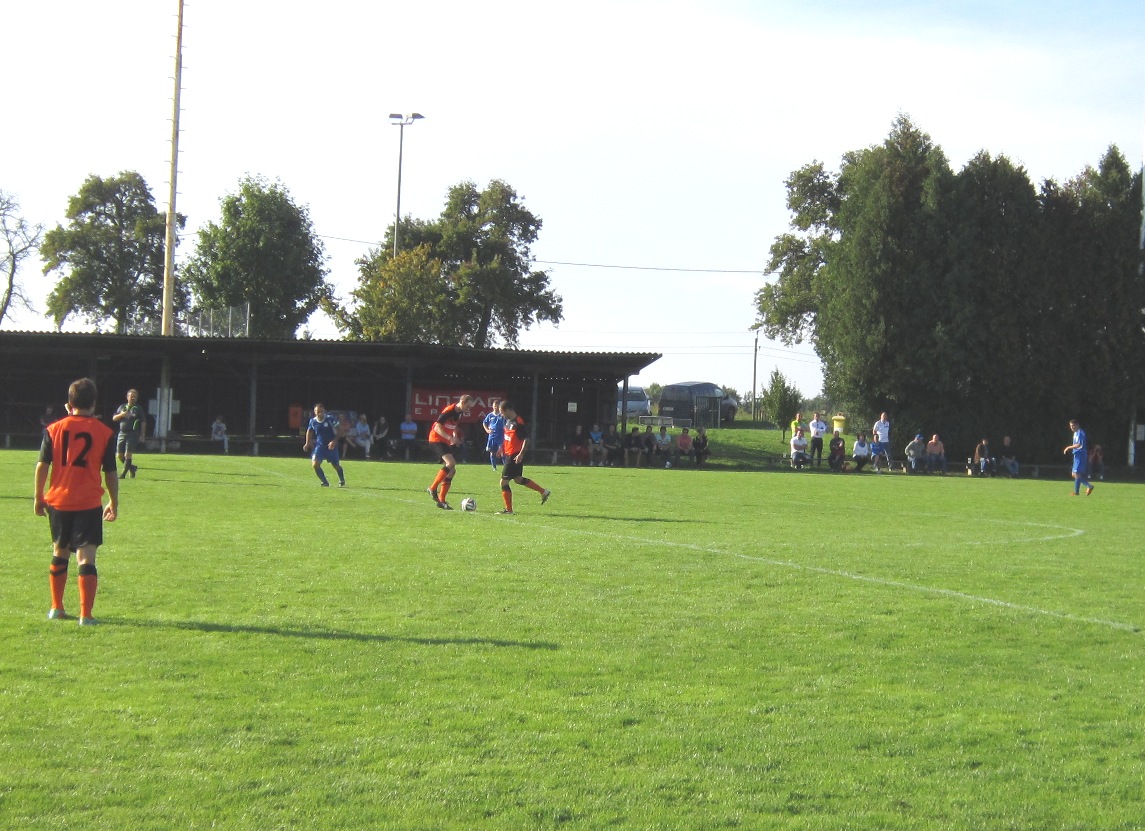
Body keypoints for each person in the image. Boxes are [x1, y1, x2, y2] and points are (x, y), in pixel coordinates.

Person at [35, 377, 119, 626]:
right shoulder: (104, 432)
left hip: (59, 501)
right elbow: (110, 472)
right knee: (86, 557)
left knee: (59, 552)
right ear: (94, 403)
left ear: (69, 403)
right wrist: (114, 502)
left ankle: (56, 608)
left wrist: (39, 497)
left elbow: (42, 465)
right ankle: (86, 615)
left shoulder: (54, 429)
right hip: (88, 502)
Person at [496, 401, 551, 514]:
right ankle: (543, 491)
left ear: (508, 410)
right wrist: (502, 447)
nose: (501, 414)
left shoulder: (518, 422)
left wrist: (521, 454)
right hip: (510, 454)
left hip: (514, 455)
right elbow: (508, 437)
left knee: (503, 482)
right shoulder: (508, 421)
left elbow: (526, 439)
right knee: (518, 479)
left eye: (502, 412)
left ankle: (509, 510)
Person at [426, 394, 473, 509]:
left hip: (444, 441)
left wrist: (454, 436)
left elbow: (453, 426)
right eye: (468, 406)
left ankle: (441, 501)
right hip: (436, 440)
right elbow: (437, 427)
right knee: (451, 463)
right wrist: (450, 438)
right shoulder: (449, 410)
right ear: (462, 402)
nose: (468, 409)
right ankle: (432, 488)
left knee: (452, 471)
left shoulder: (460, 412)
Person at [303, 403, 346, 487]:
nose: (320, 413)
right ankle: (325, 482)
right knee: (315, 464)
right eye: (318, 412)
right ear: (315, 412)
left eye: (321, 411)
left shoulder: (330, 419)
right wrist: (307, 443)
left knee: (335, 465)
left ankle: (342, 479)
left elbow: (340, 430)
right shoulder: (313, 421)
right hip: (320, 446)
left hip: (331, 446)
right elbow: (309, 431)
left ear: (324, 411)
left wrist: (334, 441)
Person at [112, 388, 145, 479]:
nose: (133, 398)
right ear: (127, 397)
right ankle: (132, 468)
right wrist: (122, 414)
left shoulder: (138, 409)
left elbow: (143, 422)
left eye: (135, 397)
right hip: (122, 433)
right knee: (119, 455)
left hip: (132, 433)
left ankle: (123, 474)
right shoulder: (122, 407)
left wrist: (142, 434)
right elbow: (114, 418)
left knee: (128, 454)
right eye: (131, 396)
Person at [1064, 419, 1094, 496]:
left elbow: (1079, 445)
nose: (1072, 427)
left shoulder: (1080, 433)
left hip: (1081, 455)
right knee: (1074, 474)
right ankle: (1089, 486)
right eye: (1071, 426)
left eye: (1073, 425)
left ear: (1077, 425)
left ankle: (1077, 492)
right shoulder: (1075, 433)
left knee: (1077, 474)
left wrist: (1068, 447)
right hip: (1077, 455)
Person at [482, 400, 506, 470]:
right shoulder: (490, 415)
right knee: (492, 452)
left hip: (500, 436)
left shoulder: (502, 415)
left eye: (498, 406)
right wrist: (487, 430)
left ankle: (506, 467)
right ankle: (494, 467)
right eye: (495, 406)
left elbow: (506, 423)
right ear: (492, 406)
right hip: (492, 437)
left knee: (502, 452)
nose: (496, 407)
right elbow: (484, 423)